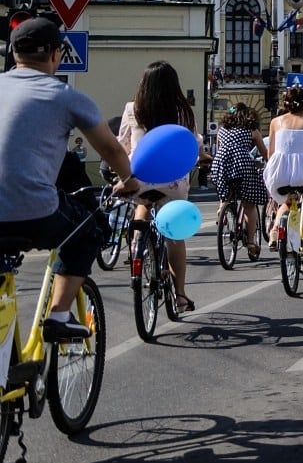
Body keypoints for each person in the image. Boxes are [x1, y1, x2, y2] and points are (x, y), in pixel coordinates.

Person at [0, 18, 139, 340]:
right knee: (89, 230)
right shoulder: (65, 97)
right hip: (34, 211)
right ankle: (59, 315)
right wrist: (129, 181)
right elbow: (111, 150)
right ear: (56, 55)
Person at [120, 61, 200, 314]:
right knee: (175, 237)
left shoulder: (133, 109)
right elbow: (192, 143)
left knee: (141, 208)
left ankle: (137, 251)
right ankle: (180, 295)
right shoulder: (182, 112)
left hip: (139, 177)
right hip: (173, 181)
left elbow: (122, 144)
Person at [261, 85, 303, 258]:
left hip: (279, 170)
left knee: (287, 202)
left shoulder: (276, 122)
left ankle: (275, 230)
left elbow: (271, 152)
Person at [209, 103, 270, 259]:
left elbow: (219, 149)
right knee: (249, 203)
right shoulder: (252, 131)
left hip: (221, 163)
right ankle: (250, 242)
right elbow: (265, 154)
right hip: (242, 163)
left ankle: (222, 208)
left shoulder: (222, 131)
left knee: (225, 190)